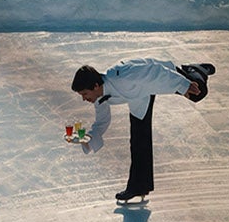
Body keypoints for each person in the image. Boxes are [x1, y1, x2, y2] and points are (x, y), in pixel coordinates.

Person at [71, 58, 216, 204]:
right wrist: (89, 139)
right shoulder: (98, 96)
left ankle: (195, 70)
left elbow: (155, 71)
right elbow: (102, 121)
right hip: (139, 99)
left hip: (159, 78)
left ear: (95, 86)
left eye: (84, 94)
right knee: (138, 141)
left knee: (198, 92)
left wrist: (183, 84)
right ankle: (138, 187)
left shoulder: (122, 76)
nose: (84, 99)